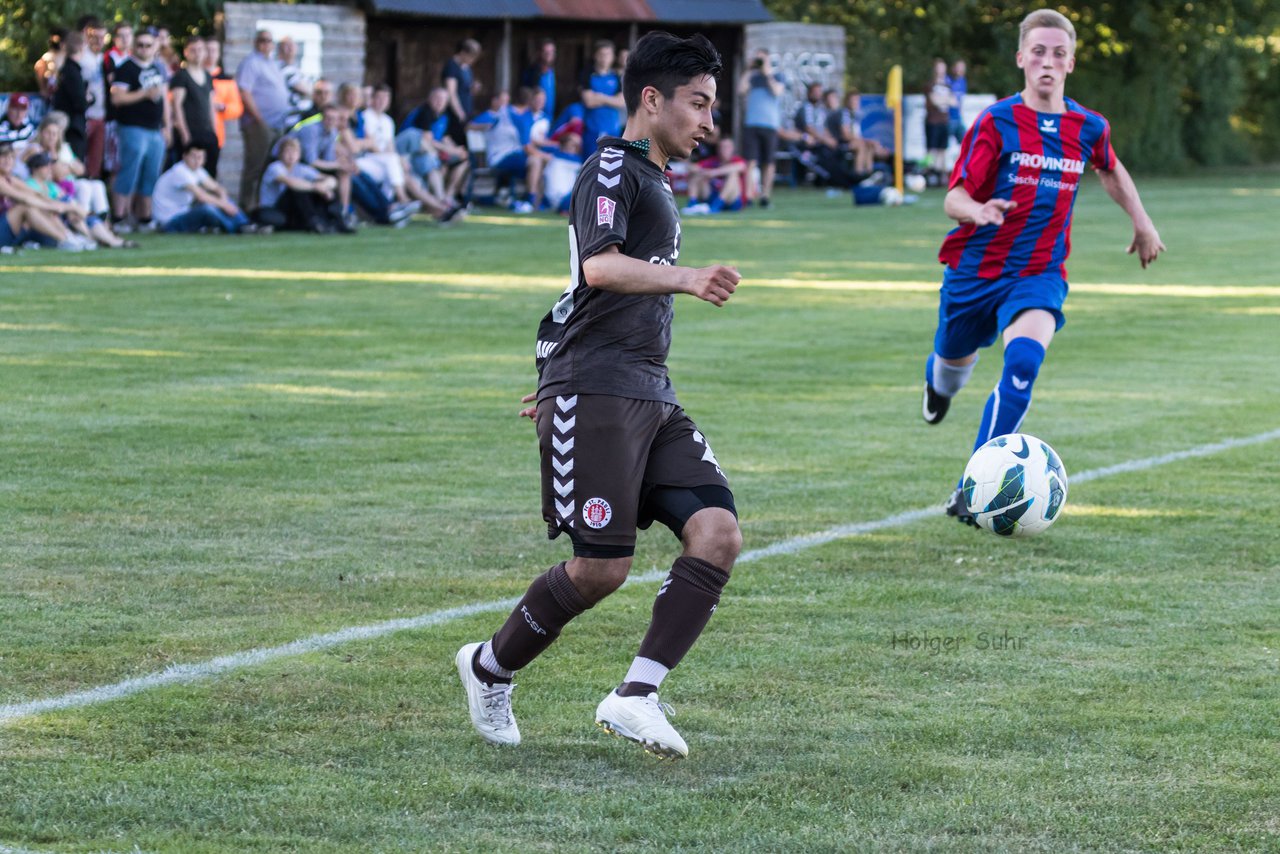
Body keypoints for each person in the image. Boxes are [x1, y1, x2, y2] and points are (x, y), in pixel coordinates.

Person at [456, 31, 741, 760]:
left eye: (714, 105)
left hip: (643, 390)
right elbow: (599, 266)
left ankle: (635, 695)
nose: (709, 121)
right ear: (652, 100)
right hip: (601, 390)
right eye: (698, 104)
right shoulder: (611, 166)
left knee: (717, 532)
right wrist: (683, 279)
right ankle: (489, 666)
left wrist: (562, 371)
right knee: (602, 568)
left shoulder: (655, 178)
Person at [921, 9, 1166, 526]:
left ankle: (974, 487)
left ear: (1071, 62)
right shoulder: (996, 121)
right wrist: (979, 210)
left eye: (1058, 53)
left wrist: (1142, 222)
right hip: (974, 272)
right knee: (950, 373)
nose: (1048, 61)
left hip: (1039, 273)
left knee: (1025, 362)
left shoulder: (1088, 126)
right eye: (1038, 52)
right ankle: (937, 387)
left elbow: (1111, 167)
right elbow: (955, 197)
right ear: (1021, 60)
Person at [109, 27, 170, 231]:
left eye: (148, 45)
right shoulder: (126, 68)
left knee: (151, 174)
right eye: (140, 44)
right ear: (134, 46)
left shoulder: (159, 67)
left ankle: (144, 218)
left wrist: (168, 125)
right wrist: (143, 94)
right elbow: (117, 97)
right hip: (132, 128)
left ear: (156, 46)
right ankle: (119, 218)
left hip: (156, 129)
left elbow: (164, 100)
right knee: (129, 172)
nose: (143, 48)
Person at [236, 29, 291, 210]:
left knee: (269, 167)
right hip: (258, 124)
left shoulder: (272, 63)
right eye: (261, 40)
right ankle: (247, 208)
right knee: (255, 166)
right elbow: (245, 91)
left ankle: (263, 207)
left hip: (277, 123)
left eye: (268, 40)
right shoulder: (251, 63)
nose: (265, 44)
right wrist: (259, 119)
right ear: (255, 42)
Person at [152, 144, 259, 234]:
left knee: (224, 201)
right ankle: (236, 229)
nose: (197, 161)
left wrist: (224, 200)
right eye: (193, 157)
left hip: (183, 213)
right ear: (185, 156)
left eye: (200, 157)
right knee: (207, 208)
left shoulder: (198, 171)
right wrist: (224, 205)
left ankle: (245, 224)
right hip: (169, 221)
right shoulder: (179, 171)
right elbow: (201, 196)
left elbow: (218, 188)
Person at [258, 135, 343, 232]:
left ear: (299, 155)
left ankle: (336, 220)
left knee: (322, 191)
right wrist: (315, 187)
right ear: (281, 154)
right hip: (275, 208)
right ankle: (313, 222)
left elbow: (331, 180)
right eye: (287, 151)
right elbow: (291, 183)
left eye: (294, 152)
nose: (291, 155)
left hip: (293, 209)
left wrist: (325, 187)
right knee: (297, 190)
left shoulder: (301, 168)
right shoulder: (275, 167)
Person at [737, 48, 785, 208]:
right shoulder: (753, 77)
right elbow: (740, 90)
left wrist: (767, 72)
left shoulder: (777, 76)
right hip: (752, 123)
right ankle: (749, 195)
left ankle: (765, 196)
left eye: (762, 59)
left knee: (768, 162)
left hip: (770, 124)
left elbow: (777, 92)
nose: (759, 62)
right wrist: (750, 69)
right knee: (750, 161)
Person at [170, 37, 220, 177]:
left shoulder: (207, 76)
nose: (197, 53)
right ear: (186, 52)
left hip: (207, 133)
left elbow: (211, 105)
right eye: (193, 50)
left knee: (209, 173)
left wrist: (214, 131)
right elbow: (177, 105)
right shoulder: (181, 76)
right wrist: (184, 133)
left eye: (200, 50)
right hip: (190, 133)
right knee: (188, 175)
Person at [579, 39, 624, 157]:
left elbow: (621, 102)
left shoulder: (616, 76)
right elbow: (588, 101)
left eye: (608, 54)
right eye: (601, 54)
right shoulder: (587, 74)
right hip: (592, 128)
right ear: (596, 56)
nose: (604, 58)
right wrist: (610, 99)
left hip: (612, 128)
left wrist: (599, 97)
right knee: (591, 164)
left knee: (611, 166)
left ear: (613, 57)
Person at [76, 16, 108, 177]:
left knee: (96, 160)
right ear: (86, 36)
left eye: (102, 37)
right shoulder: (80, 57)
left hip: (101, 115)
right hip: (85, 116)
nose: (99, 41)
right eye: (94, 37)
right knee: (79, 155)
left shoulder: (104, 58)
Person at [684, 136, 747, 214]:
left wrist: (714, 172)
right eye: (723, 147)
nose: (725, 149)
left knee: (733, 175)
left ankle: (717, 205)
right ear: (718, 149)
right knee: (696, 175)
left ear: (732, 149)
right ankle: (692, 204)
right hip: (711, 195)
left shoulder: (737, 160)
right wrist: (705, 172)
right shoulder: (713, 161)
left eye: (728, 147)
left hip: (731, 200)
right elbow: (691, 168)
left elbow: (741, 166)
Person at [442, 39, 481, 145]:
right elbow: (451, 92)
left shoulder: (467, 68)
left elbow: (467, 89)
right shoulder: (452, 66)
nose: (472, 61)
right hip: (456, 114)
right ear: (463, 52)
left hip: (467, 111)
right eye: (471, 57)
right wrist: (459, 113)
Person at [924, 58, 954, 183]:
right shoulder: (930, 85)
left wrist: (943, 99)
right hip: (932, 121)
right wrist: (945, 99)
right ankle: (929, 173)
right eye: (938, 67)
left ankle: (941, 174)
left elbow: (954, 102)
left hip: (944, 121)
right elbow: (935, 101)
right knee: (931, 148)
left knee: (943, 149)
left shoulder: (947, 85)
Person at [520, 38, 558, 119]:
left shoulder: (553, 71)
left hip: (549, 118)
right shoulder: (532, 71)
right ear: (540, 53)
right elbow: (525, 92)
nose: (549, 55)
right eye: (546, 52)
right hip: (536, 117)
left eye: (551, 52)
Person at [948, 58, 968, 143]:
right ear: (953, 68)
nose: (960, 70)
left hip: (958, 117)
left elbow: (960, 100)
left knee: (966, 142)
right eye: (958, 67)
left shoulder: (962, 81)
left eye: (962, 68)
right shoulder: (947, 80)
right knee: (942, 146)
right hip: (947, 118)